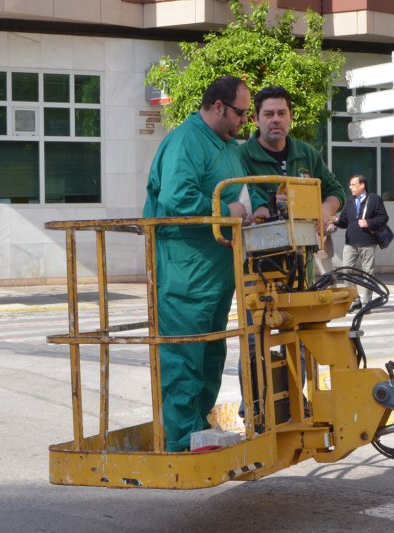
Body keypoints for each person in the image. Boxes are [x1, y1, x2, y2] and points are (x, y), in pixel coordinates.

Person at [142, 75, 264, 452]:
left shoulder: (226, 146)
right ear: (218, 107)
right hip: (185, 271)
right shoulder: (186, 141)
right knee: (184, 356)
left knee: (210, 354)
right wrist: (226, 210)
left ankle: (197, 429)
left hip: (214, 272)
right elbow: (176, 199)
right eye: (241, 113)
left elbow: (242, 190)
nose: (245, 121)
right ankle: (181, 438)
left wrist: (255, 208)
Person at [238, 85, 345, 267]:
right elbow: (237, 199)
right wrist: (267, 206)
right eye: (268, 114)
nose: (276, 119)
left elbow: (336, 191)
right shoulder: (240, 156)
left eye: (282, 113)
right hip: (257, 263)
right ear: (256, 119)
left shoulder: (307, 153)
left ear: (291, 117)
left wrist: (325, 209)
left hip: (302, 260)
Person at [333, 174, 389, 313]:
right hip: (350, 243)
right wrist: (336, 220)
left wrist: (368, 222)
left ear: (362, 185)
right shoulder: (349, 200)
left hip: (368, 242)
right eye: (350, 185)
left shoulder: (374, 199)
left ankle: (367, 302)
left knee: (367, 273)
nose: (350, 187)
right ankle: (355, 300)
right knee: (346, 271)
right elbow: (344, 222)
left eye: (353, 185)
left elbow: (383, 217)